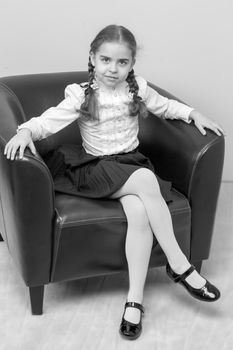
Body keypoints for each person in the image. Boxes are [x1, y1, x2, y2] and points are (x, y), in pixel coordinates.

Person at [4, 24, 224, 340]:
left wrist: (193, 114)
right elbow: (47, 120)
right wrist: (25, 131)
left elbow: (166, 107)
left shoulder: (137, 89)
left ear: (132, 64)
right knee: (146, 180)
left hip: (128, 166)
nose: (113, 69)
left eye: (122, 62)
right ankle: (180, 265)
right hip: (95, 168)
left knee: (138, 212)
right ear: (92, 59)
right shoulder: (80, 94)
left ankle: (134, 300)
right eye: (105, 60)